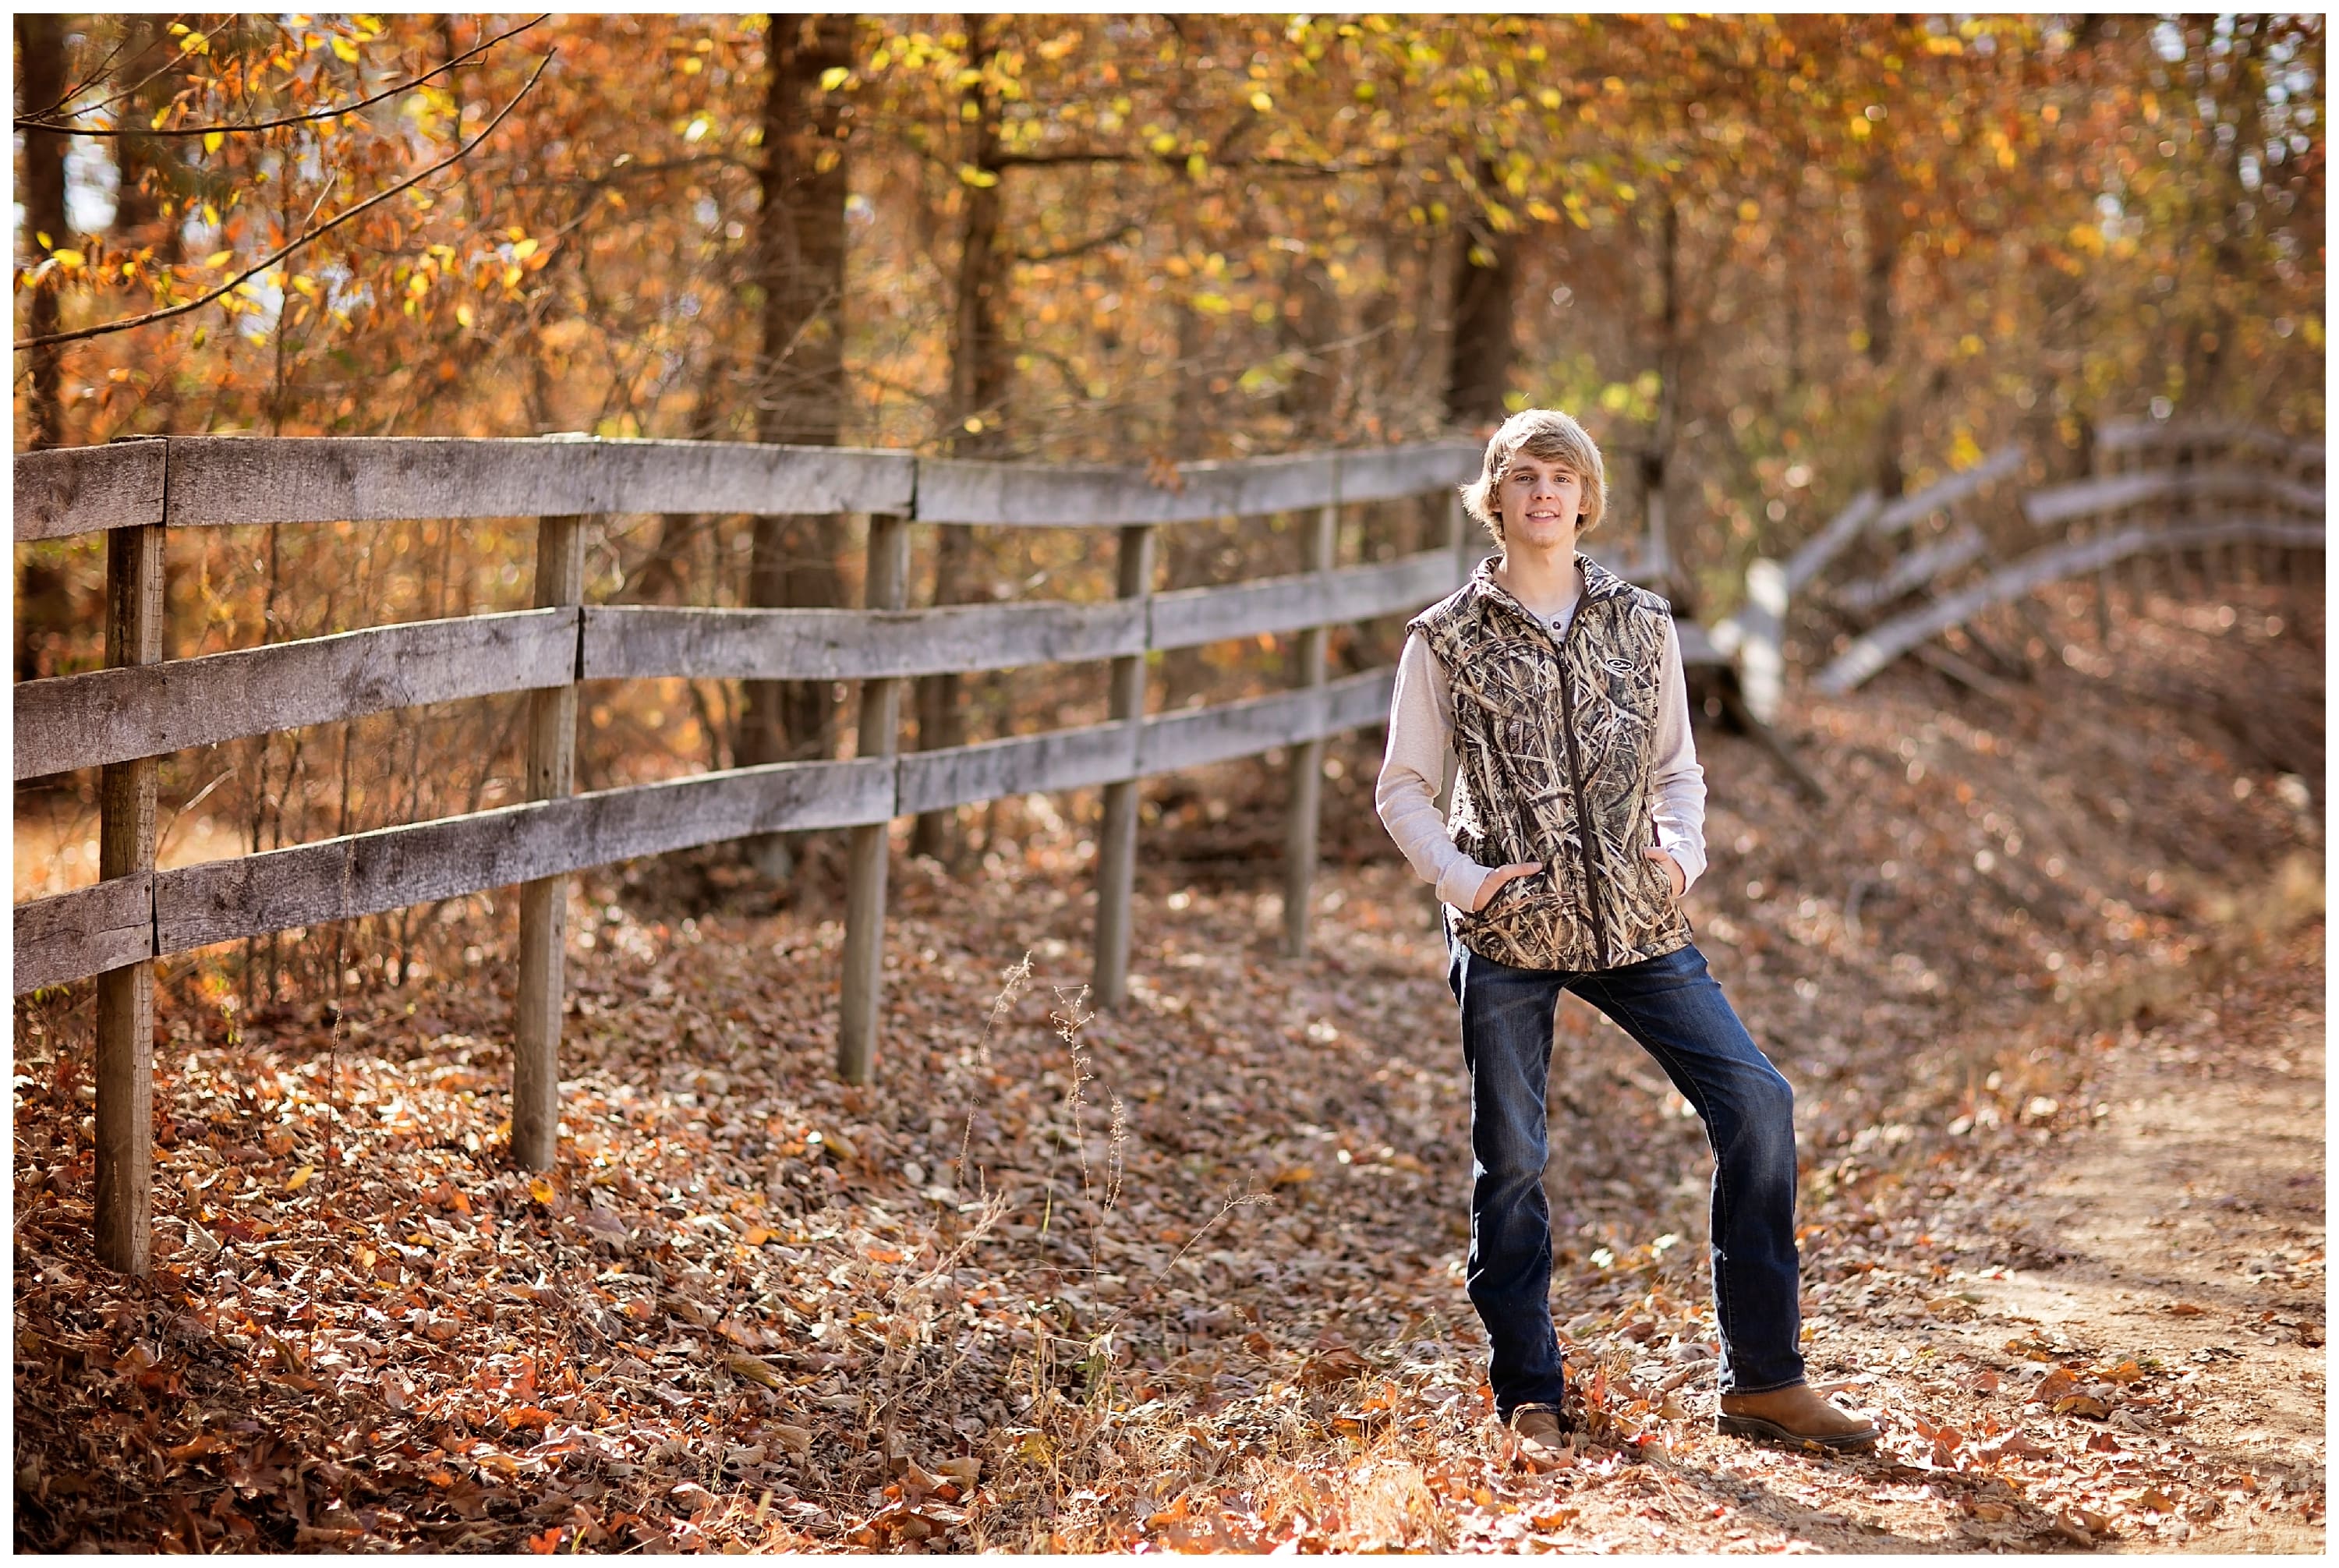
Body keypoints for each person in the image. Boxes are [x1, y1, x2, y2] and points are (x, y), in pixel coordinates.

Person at [1375, 408, 1877, 1467]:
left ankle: (1767, 1381)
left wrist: (1678, 856)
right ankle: (1531, 1393)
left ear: (1588, 498)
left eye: (1563, 476)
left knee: (1759, 1104)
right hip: (1511, 931)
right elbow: (1405, 790)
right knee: (1511, 1160)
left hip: (1638, 925)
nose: (1545, 494)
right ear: (1496, 498)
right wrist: (1466, 884)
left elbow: (1679, 768)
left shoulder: (1643, 624)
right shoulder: (1445, 640)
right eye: (1523, 477)